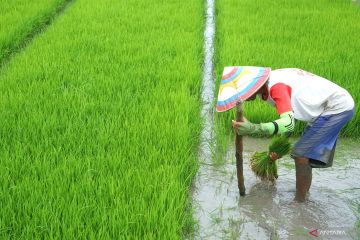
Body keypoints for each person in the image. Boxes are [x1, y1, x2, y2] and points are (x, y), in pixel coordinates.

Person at [230, 68, 355, 202]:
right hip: (323, 109)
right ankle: (304, 196)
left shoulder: (277, 87)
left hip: (336, 107)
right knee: (303, 154)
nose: (242, 97)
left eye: (243, 91)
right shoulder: (268, 85)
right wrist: (279, 148)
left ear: (253, 86)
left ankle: (299, 203)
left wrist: (254, 128)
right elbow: (291, 116)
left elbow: (288, 123)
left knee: (300, 154)